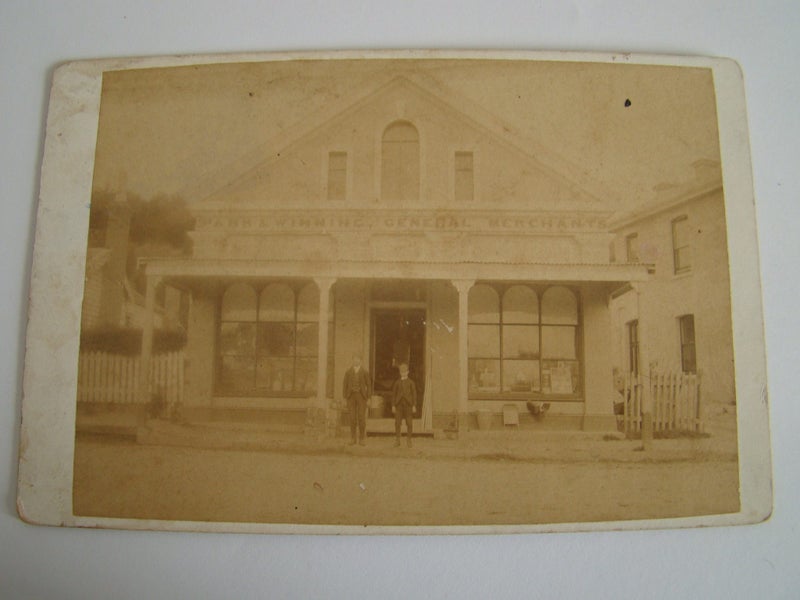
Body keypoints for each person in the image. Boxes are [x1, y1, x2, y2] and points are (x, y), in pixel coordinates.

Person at [342, 353, 371, 446]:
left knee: (361, 418)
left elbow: (369, 385)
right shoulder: (348, 372)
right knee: (352, 418)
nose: (356, 361)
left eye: (358, 359)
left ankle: (362, 438)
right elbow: (344, 385)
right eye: (354, 359)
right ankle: (353, 438)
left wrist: (369, 398)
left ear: (361, 361)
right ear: (352, 360)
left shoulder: (365, 372)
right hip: (351, 397)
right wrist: (344, 398)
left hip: (361, 397)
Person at [391, 362, 417, 447]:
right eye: (402, 371)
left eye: (405, 371)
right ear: (400, 372)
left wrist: (414, 405)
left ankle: (409, 440)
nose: (403, 373)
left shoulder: (411, 383)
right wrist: (393, 405)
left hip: (408, 405)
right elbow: (394, 395)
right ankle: (397, 440)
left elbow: (414, 395)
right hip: (398, 406)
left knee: (409, 423)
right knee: (397, 423)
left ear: (408, 372)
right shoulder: (397, 383)